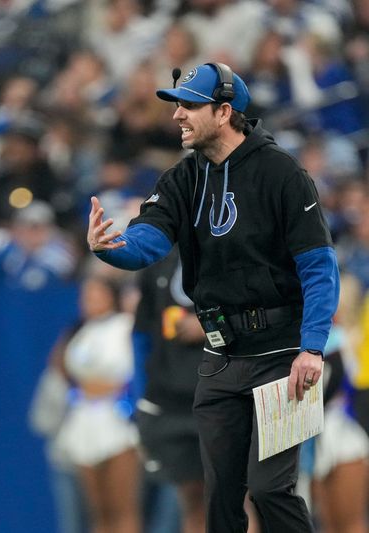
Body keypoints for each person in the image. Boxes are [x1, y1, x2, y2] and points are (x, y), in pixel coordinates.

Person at [87, 62, 339, 532]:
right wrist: (112, 249)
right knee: (220, 495)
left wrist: (311, 347)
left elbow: (319, 268)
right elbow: (149, 242)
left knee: (268, 489)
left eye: (189, 105)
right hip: (222, 357)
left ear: (224, 112)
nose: (178, 115)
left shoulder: (283, 173)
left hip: (282, 355)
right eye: (177, 105)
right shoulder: (182, 179)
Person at [51, 274, 141, 533]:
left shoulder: (126, 326)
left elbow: (131, 373)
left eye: (95, 294)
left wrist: (101, 388)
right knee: (97, 510)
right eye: (85, 295)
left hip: (117, 421)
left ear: (111, 296)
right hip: (83, 421)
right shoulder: (81, 331)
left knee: (122, 508)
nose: (88, 301)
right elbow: (64, 369)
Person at [132, 247, 205, 533]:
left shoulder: (234, 249)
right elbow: (141, 333)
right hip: (173, 401)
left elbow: (258, 315)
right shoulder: (158, 263)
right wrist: (143, 397)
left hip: (226, 397)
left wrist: (212, 325)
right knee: (192, 498)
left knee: (237, 498)